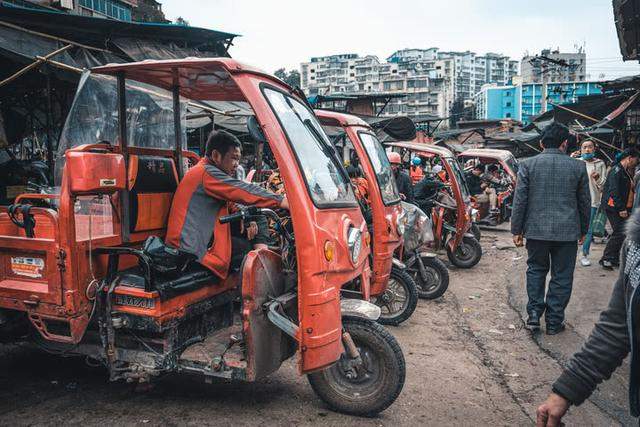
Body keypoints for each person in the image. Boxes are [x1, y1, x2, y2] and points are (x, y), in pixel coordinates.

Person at [535, 208, 640, 426]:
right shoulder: (635, 244)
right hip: (561, 233)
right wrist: (565, 391)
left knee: (542, 273)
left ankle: (539, 315)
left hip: (543, 232)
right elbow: (617, 325)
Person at [166, 130, 288, 279]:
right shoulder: (206, 173)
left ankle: (264, 260)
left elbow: (232, 202)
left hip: (194, 243)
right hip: (190, 251)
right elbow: (242, 190)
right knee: (248, 251)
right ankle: (266, 272)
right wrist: (281, 200)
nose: (237, 164)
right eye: (234, 158)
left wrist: (248, 219)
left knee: (257, 217)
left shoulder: (206, 172)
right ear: (216, 155)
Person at [511, 122, 591, 335]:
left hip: (536, 231)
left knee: (536, 270)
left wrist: (516, 230)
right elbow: (584, 202)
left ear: (541, 143)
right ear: (565, 143)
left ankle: (534, 315)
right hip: (567, 232)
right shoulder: (578, 167)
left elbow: (520, 201)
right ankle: (555, 321)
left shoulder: (527, 165)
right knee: (562, 276)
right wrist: (585, 229)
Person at [599, 148, 640, 270]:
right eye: (636, 160)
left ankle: (614, 258)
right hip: (614, 207)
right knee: (619, 232)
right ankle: (606, 258)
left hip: (621, 207)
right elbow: (614, 190)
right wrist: (621, 208)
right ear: (629, 158)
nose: (636, 163)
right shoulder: (616, 170)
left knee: (623, 233)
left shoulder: (624, 171)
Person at [576, 140, 607, 267]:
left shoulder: (600, 163)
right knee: (574, 228)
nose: (587, 149)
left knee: (588, 230)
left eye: (590, 147)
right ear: (581, 150)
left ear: (594, 149)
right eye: (585, 147)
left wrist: (597, 178)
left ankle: (584, 254)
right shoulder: (576, 162)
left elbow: (603, 185)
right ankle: (571, 253)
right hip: (576, 201)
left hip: (593, 201)